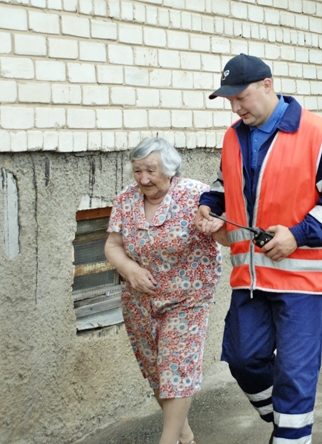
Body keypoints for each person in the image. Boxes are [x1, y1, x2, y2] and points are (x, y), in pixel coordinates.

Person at [193, 53, 322, 444]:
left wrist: (297, 235)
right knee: (242, 358)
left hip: (303, 280)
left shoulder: (319, 133)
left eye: (241, 97)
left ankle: (290, 434)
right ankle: (282, 420)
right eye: (230, 100)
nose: (236, 107)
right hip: (250, 277)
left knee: (295, 373)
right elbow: (225, 185)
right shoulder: (233, 136)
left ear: (268, 85)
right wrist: (209, 207)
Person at [104, 137, 223, 444]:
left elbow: (225, 235)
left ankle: (167, 441)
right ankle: (185, 436)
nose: (143, 178)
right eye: (138, 170)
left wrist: (215, 227)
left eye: (151, 170)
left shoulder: (196, 195)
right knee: (157, 372)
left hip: (187, 299)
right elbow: (113, 245)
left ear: (170, 170)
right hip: (140, 300)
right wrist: (130, 270)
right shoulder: (126, 199)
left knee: (176, 369)